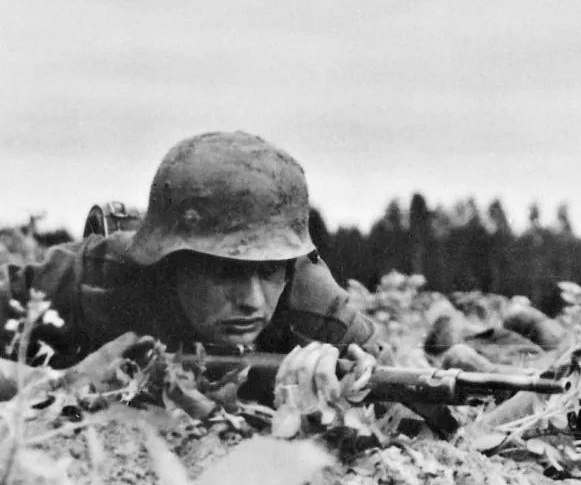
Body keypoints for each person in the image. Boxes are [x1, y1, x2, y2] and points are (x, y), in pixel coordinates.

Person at [0, 131, 383, 415]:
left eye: (269, 273)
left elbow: (426, 423)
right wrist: (54, 386)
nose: (251, 300)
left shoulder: (318, 314)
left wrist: (341, 412)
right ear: (171, 261)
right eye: (226, 272)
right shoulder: (100, 278)